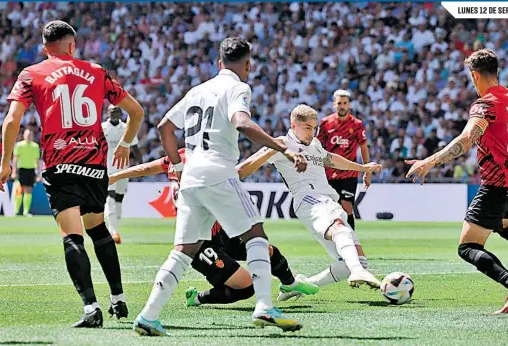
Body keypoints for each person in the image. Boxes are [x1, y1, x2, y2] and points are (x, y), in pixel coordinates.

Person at [133, 37, 307, 336]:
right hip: (218, 171)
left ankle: (149, 316)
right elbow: (241, 123)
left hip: (190, 178)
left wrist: (176, 166)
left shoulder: (196, 90)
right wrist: (284, 150)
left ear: (219, 62)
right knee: (256, 235)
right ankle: (265, 306)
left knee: (184, 250)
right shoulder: (238, 87)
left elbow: (164, 127)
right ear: (248, 65)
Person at [0, 20, 145, 327]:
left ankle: (91, 307)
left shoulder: (31, 74)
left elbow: (12, 121)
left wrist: (5, 163)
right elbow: (137, 111)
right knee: (98, 228)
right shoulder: (97, 71)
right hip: (93, 163)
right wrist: (126, 143)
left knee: (72, 235)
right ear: (72, 45)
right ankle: (119, 299)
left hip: (60, 163)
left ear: (44, 47)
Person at [405, 48, 508, 314]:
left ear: (475, 75)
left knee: (468, 246)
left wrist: (429, 161)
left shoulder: (484, 105)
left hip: (499, 185)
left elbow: (467, 140)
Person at [108, 148, 319, 307]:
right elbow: (146, 168)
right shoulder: (180, 158)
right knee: (246, 287)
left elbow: (239, 172)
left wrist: (269, 149)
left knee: (267, 250)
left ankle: (290, 285)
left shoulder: (206, 160)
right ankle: (197, 298)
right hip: (199, 242)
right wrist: (116, 176)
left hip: (222, 231)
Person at [237, 104, 383, 302]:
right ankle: (357, 272)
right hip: (308, 198)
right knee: (339, 227)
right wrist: (262, 156)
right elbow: (244, 168)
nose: (311, 132)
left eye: (314, 128)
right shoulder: (281, 143)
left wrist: (362, 168)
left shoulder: (314, 144)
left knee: (357, 259)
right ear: (293, 125)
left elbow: (331, 159)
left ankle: (301, 285)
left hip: (327, 199)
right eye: (307, 127)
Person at [316, 90, 371, 230]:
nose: (342, 106)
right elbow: (316, 146)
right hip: (329, 173)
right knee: (331, 209)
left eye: (345, 103)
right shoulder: (325, 123)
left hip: (349, 173)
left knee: (347, 206)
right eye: (339, 103)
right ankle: (335, 238)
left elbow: (364, 148)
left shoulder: (357, 125)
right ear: (334, 104)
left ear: (349, 105)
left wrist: (367, 171)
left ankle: (352, 239)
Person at [102, 105, 141, 244]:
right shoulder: (102, 128)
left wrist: (139, 164)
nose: (115, 113)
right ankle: (113, 231)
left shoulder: (126, 127)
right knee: (110, 196)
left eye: (117, 111)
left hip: (124, 168)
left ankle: (115, 227)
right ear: (107, 112)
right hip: (107, 167)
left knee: (119, 198)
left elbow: (135, 147)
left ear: (121, 113)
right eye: (112, 111)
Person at [12, 128, 40, 216]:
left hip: (31, 170)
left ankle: (25, 212)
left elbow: (37, 160)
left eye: (30, 135)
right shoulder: (19, 145)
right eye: (27, 135)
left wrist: (38, 173)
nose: (28, 137)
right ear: (24, 135)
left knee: (28, 190)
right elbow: (15, 159)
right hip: (21, 169)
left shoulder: (35, 146)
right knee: (19, 190)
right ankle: (16, 211)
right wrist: (14, 171)